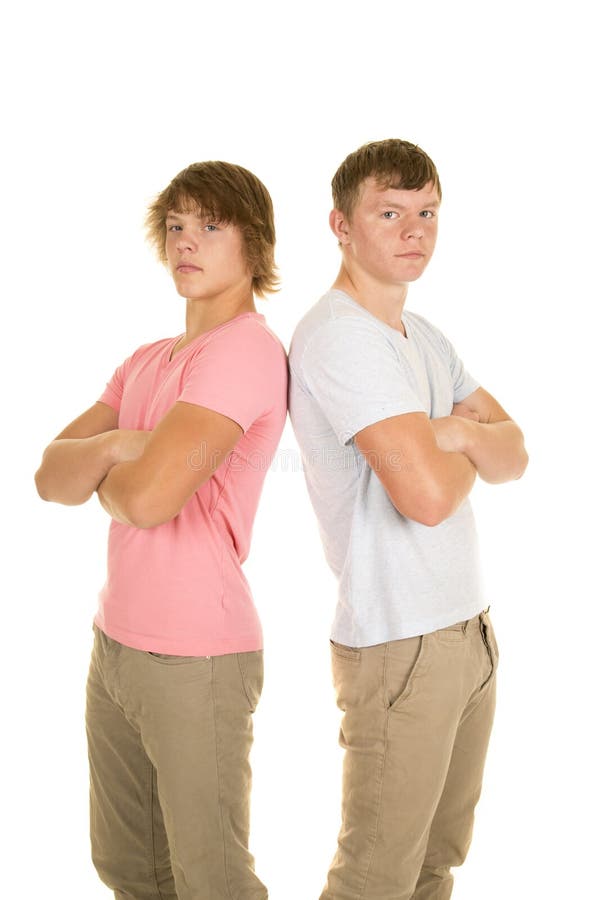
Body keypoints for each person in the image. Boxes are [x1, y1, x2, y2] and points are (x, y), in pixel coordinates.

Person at [35, 160, 287, 900]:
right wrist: (118, 446)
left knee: (212, 879)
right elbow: (50, 477)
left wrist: (111, 471)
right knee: (130, 871)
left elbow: (149, 502)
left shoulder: (245, 351)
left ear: (256, 244)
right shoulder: (145, 361)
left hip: (197, 657)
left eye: (210, 224)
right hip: (114, 647)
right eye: (176, 225)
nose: (187, 240)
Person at [288, 139, 528, 900]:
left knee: (435, 865)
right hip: (401, 643)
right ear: (341, 224)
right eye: (389, 213)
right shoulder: (338, 334)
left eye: (427, 213)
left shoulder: (423, 337)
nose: (414, 231)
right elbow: (423, 500)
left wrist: (449, 433)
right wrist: (459, 438)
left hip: (468, 633)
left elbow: (516, 452)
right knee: (375, 879)